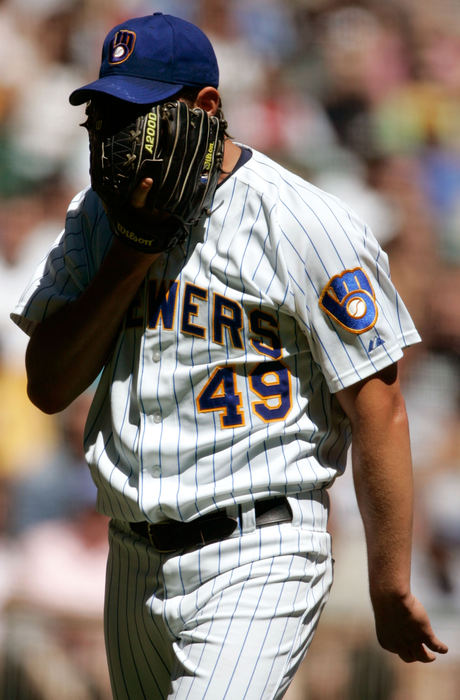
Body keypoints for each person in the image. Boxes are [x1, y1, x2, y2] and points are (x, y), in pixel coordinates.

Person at [11, 12, 448, 700]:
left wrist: (390, 581)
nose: (122, 134)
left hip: (258, 546)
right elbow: (47, 384)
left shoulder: (301, 220)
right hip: (131, 558)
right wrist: (132, 252)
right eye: (109, 113)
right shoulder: (96, 216)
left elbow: (379, 402)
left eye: (140, 113)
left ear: (205, 107)